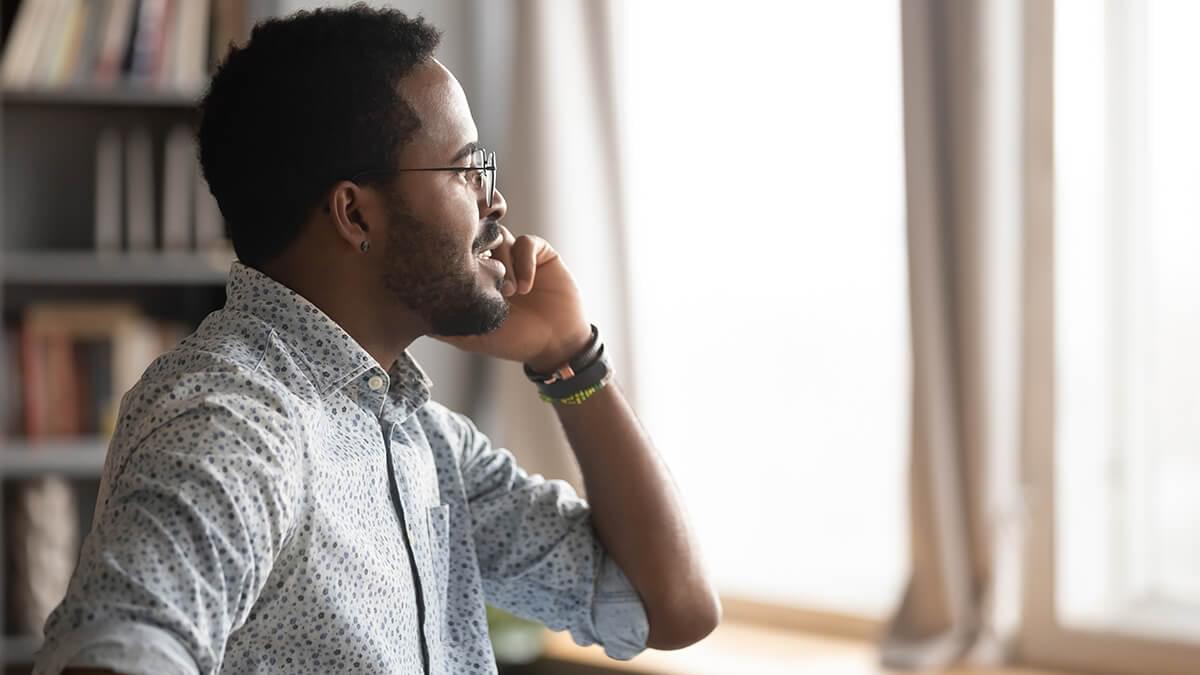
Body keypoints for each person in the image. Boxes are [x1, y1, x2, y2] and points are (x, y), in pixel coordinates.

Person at [33, 5, 719, 675]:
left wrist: (568, 355)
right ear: (355, 212)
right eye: (464, 169)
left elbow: (672, 606)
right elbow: (119, 644)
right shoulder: (236, 419)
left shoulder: (420, 437)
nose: (495, 202)